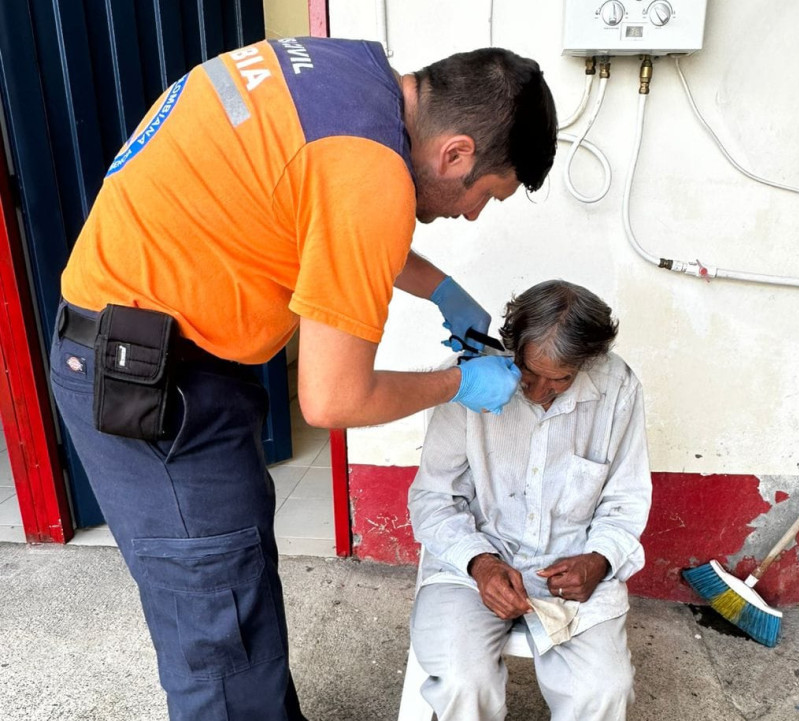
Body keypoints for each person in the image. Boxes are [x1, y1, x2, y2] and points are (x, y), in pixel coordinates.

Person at [48, 37, 556, 721]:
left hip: (158, 353)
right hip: (149, 389)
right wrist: (458, 383)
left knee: (240, 591)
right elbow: (331, 398)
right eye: (484, 197)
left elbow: (326, 211)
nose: (470, 215)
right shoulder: (369, 175)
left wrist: (442, 291)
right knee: (218, 632)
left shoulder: (350, 74)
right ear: (456, 153)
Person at [407, 280, 653, 721]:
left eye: (559, 379)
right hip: (471, 563)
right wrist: (479, 562)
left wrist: (598, 559)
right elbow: (434, 499)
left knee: (602, 693)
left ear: (588, 362)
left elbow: (626, 499)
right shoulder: (466, 379)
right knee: (464, 685)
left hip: (570, 567)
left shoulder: (618, 388)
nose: (538, 392)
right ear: (511, 347)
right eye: (528, 373)